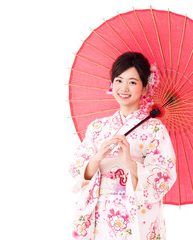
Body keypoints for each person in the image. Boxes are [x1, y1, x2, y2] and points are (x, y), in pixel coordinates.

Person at [69, 52, 177, 240]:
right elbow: (76, 170)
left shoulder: (154, 129)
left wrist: (130, 163)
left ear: (145, 88)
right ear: (111, 84)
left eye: (133, 82)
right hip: (101, 211)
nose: (124, 88)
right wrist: (97, 157)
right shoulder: (97, 127)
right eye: (118, 80)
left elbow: (164, 174)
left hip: (137, 211)